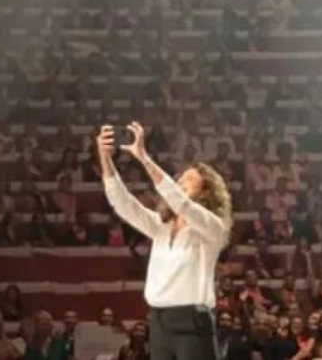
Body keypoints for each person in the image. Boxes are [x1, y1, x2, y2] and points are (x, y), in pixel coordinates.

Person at [98, 122, 233, 360]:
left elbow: (180, 202)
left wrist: (143, 157)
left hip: (192, 323)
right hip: (159, 322)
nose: (179, 184)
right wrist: (104, 156)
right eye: (179, 180)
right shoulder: (162, 227)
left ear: (205, 193)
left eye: (187, 182)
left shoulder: (212, 227)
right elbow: (123, 203)